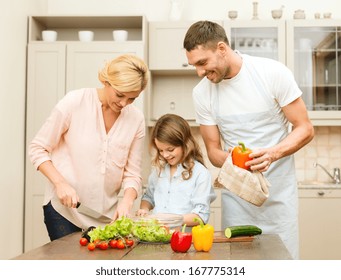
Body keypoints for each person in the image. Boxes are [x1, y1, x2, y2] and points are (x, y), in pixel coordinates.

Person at [183, 21, 314, 258]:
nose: (199, 72)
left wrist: (273, 153)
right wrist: (237, 160)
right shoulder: (202, 93)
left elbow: (304, 128)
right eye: (194, 65)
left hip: (279, 199)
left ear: (222, 48)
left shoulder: (271, 73)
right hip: (237, 201)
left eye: (203, 63)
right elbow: (213, 151)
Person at [29, 54, 149, 241]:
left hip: (105, 217)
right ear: (106, 81)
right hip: (64, 211)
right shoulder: (74, 102)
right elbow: (37, 148)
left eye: (132, 99)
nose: (124, 103)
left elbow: (132, 174)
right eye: (119, 95)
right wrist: (60, 183)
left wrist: (127, 201)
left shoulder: (136, 119)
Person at [137, 114, 216, 226]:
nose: (165, 155)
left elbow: (201, 216)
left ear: (185, 144)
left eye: (170, 149)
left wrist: (170, 220)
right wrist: (144, 209)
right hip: (159, 236)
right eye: (160, 150)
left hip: (184, 239)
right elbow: (149, 197)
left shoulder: (200, 174)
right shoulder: (158, 171)